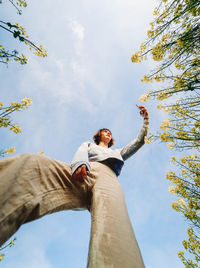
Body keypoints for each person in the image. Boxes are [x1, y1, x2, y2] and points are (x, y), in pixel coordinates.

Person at [0, 106, 149, 268]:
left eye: (110, 133)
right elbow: (81, 152)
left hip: (108, 179)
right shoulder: (89, 145)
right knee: (32, 165)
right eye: (104, 131)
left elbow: (139, 141)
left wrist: (145, 120)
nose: (108, 133)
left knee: (113, 223)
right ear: (99, 135)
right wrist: (79, 164)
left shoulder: (118, 153)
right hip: (83, 172)